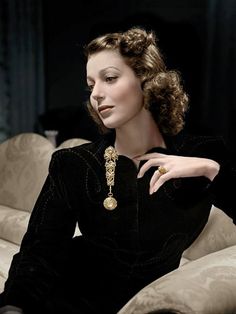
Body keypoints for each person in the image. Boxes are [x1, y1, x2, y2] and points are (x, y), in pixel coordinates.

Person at [0, 26, 235, 314]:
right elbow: (40, 250)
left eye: (109, 78)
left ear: (147, 81)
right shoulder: (72, 163)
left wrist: (210, 169)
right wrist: (13, 306)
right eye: (91, 85)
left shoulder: (203, 155)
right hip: (65, 297)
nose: (96, 94)